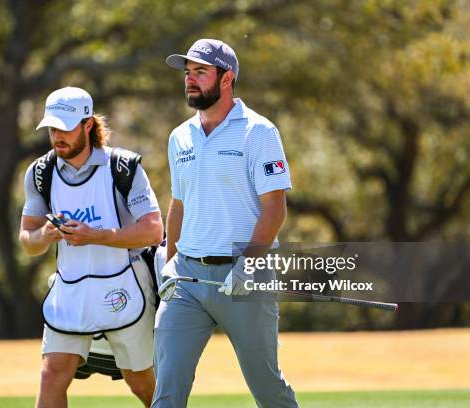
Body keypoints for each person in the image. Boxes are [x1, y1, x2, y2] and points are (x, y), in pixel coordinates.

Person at [152, 39, 299, 407]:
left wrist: (248, 263)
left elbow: (274, 208)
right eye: (188, 73)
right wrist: (169, 262)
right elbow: (179, 204)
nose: (190, 80)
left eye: (200, 72)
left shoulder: (258, 132)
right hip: (187, 280)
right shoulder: (179, 137)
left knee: (267, 387)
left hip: (244, 279)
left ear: (227, 77)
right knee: (167, 390)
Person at [19, 87, 163, 408]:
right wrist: (45, 234)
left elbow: (153, 230)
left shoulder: (123, 168)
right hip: (69, 289)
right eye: (52, 128)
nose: (57, 136)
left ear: (88, 125)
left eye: (65, 127)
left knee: (140, 381)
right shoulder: (40, 173)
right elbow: (28, 242)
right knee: (52, 373)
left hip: (124, 287)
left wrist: (94, 235)